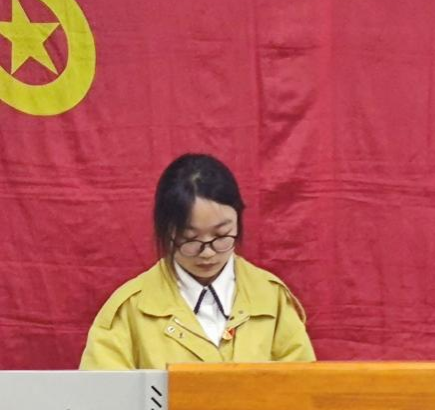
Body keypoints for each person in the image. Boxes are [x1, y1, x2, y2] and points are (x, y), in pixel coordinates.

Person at [79, 153, 315, 369]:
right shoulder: (129, 309)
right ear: (166, 231)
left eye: (221, 235)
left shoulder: (270, 297)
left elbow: (303, 388)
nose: (208, 253)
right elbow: (102, 395)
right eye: (190, 239)